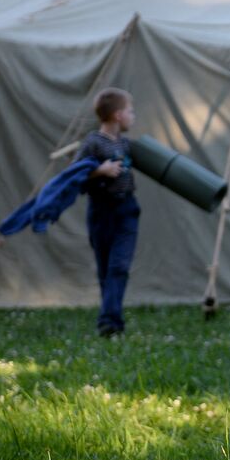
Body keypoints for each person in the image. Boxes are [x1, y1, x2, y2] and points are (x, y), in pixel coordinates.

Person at [77, 88, 139, 337]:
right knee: (106, 269)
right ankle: (111, 323)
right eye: (130, 111)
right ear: (117, 115)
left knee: (119, 266)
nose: (133, 116)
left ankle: (109, 320)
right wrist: (99, 171)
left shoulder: (125, 144)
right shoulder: (93, 143)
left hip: (127, 209)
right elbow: (75, 174)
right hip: (102, 211)